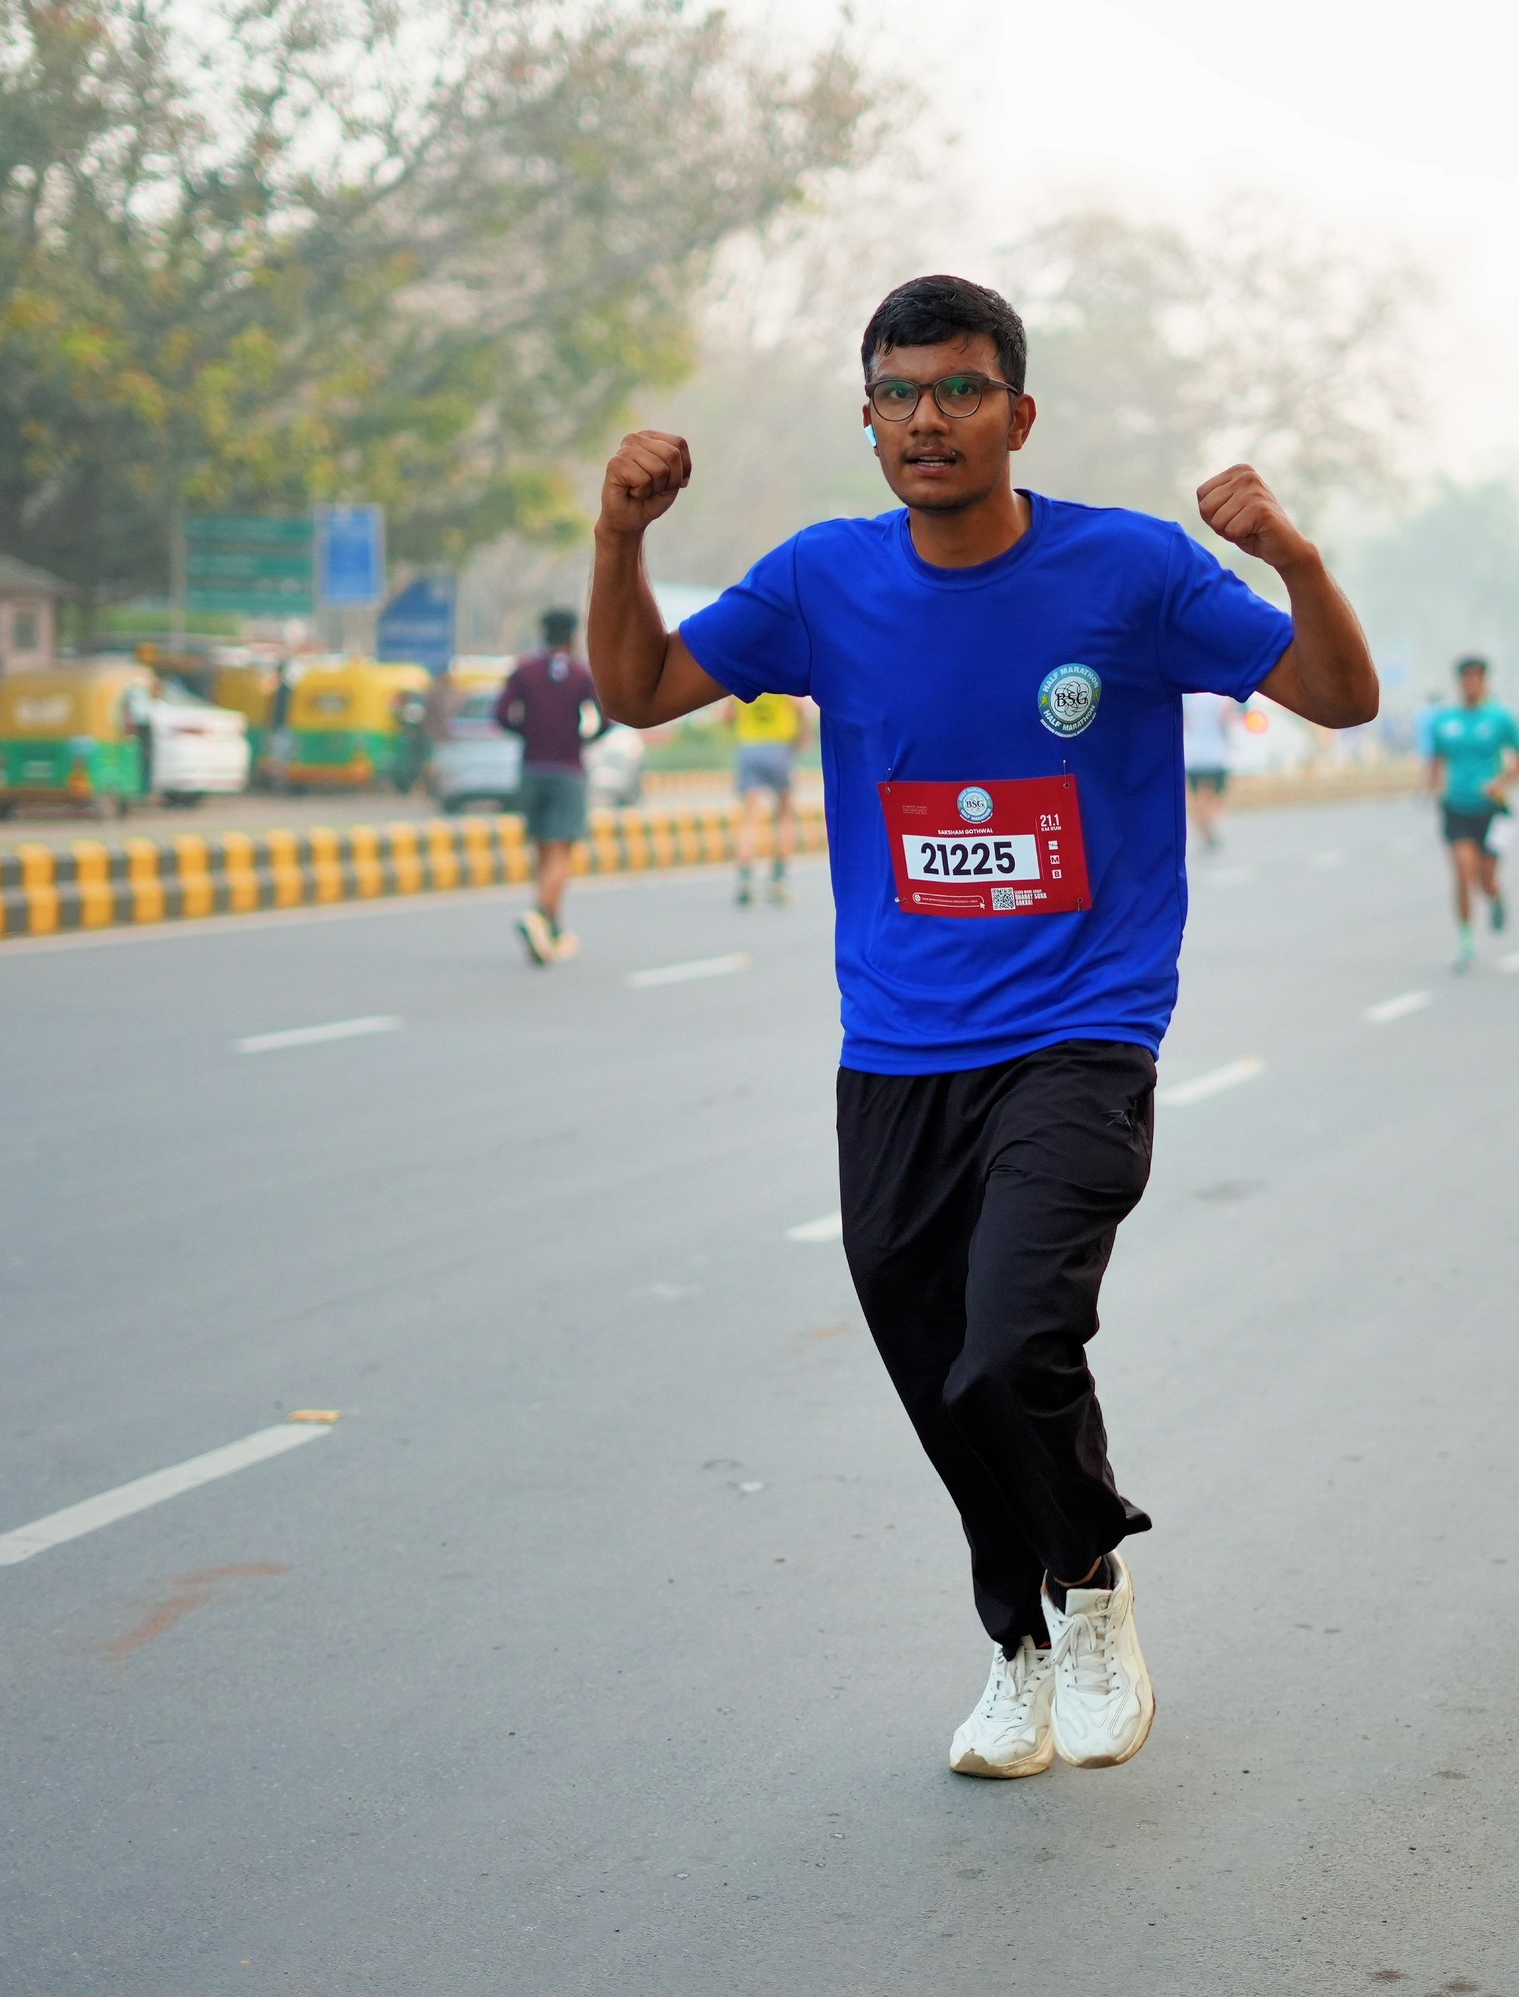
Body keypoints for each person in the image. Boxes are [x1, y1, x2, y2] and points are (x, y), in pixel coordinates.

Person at [582, 274, 1376, 1780]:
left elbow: (1338, 695)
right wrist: (621, 536)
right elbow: (634, 690)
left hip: (1081, 1029)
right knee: (934, 1369)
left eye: (959, 390)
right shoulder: (822, 581)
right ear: (868, 417)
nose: (927, 419)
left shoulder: (1129, 572)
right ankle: (1014, 1647)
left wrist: (1294, 558)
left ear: (1019, 414)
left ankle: (1087, 1584)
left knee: (1012, 1341)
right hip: (895, 1051)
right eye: (898, 394)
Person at [496, 609, 601, 964]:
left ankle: (552, 928)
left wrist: (528, 733)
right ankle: (540, 914)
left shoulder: (525, 670)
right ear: (572, 637)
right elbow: (607, 718)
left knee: (542, 848)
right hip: (568, 771)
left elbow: (500, 715)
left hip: (532, 768)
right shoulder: (581, 674)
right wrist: (581, 740)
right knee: (561, 851)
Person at [1419, 654, 1519, 972]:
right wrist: (1432, 787)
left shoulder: (1500, 718)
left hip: (1492, 809)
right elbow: (1436, 760)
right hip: (1457, 807)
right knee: (1463, 871)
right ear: (1459, 682)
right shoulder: (1445, 721)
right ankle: (1466, 940)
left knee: (1485, 878)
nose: (1471, 684)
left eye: (1477, 678)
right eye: (1466, 678)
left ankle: (1495, 896)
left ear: (1485, 681)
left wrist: (1502, 781)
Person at [731, 689, 811, 905]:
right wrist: (803, 734)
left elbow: (726, 716)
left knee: (749, 817)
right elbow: (800, 707)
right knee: (784, 814)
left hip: (748, 747)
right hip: (779, 749)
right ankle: (778, 880)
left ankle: (745, 878)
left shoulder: (743, 680)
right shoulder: (781, 681)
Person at [1181, 690, 1236, 850]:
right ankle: (1208, 823)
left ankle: (1204, 825)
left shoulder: (1186, 697)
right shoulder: (1221, 696)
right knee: (1216, 796)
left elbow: (1185, 722)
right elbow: (1226, 719)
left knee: (1196, 797)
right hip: (1215, 753)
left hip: (1193, 754)